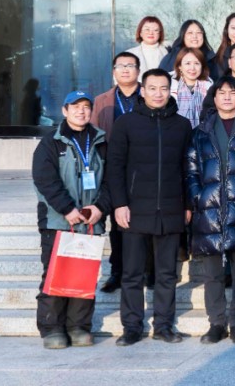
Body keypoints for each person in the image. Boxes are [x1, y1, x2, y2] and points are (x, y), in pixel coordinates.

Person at [106, 69, 194, 346]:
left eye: (163, 88)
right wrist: (119, 204)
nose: (158, 93)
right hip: (134, 209)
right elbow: (114, 167)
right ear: (142, 91)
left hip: (170, 209)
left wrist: (188, 204)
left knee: (167, 274)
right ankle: (131, 327)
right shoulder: (126, 123)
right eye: (152, 88)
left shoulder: (181, 125)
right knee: (132, 274)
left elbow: (188, 169)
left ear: (170, 91)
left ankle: (164, 326)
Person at [185, 77, 235, 345]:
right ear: (214, 98)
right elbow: (191, 170)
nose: (227, 97)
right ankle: (216, 323)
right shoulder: (200, 132)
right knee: (212, 274)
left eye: (232, 92)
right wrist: (198, 198)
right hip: (209, 211)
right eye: (222, 92)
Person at [31, 90, 109, 349]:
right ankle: (52, 327)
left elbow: (112, 178)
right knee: (56, 273)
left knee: (84, 275)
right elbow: (45, 180)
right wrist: (67, 209)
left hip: (90, 222)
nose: (81, 111)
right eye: (75, 106)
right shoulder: (51, 142)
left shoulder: (100, 140)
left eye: (86, 106)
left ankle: (79, 326)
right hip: (58, 221)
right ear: (65, 111)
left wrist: (100, 207)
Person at [90, 51, 141, 294]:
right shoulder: (102, 101)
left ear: (138, 71)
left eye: (130, 65)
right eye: (121, 66)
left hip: (144, 168)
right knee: (117, 224)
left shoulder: (148, 95)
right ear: (114, 72)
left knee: (144, 222)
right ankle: (117, 271)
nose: (125, 70)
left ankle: (146, 270)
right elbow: (94, 135)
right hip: (113, 169)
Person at [169, 47, 213, 128]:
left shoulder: (209, 88)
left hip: (202, 132)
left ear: (202, 66)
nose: (192, 68)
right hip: (175, 130)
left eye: (196, 63)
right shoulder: (170, 86)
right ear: (179, 66)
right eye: (188, 63)